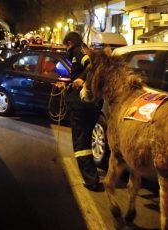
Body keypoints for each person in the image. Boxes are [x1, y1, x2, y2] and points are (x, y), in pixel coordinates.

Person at [61, 32, 101, 190]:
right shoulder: (81, 51)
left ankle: (91, 181)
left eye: (66, 46)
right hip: (90, 104)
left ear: (70, 42)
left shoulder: (78, 51)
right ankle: (92, 176)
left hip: (81, 104)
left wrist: (82, 79)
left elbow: (93, 65)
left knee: (81, 144)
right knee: (84, 140)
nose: (66, 49)